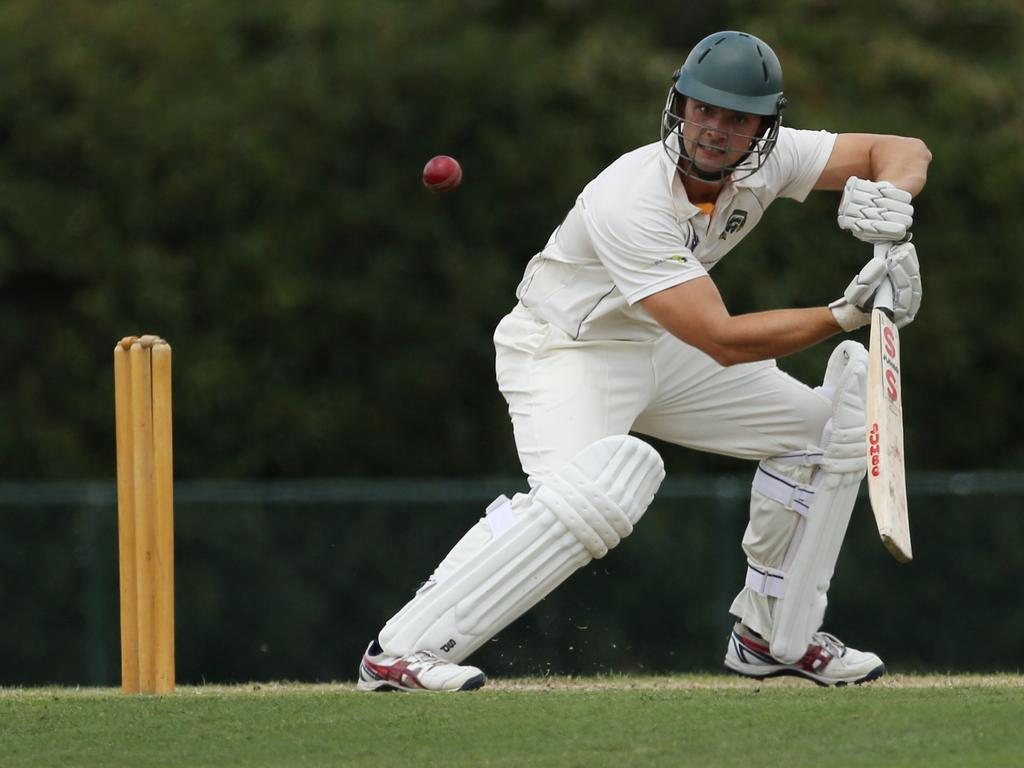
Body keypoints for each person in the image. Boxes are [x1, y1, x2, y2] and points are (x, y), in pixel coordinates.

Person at [357, 30, 930, 692]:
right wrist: (844, 315)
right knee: (596, 492)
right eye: (703, 109)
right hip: (567, 348)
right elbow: (720, 336)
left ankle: (774, 636)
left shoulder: (772, 160)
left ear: (763, 129)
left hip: (661, 346)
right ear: (679, 106)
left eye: (736, 118)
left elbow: (903, 150)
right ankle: (402, 649)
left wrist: (894, 195)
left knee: (824, 433)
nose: (714, 129)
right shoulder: (630, 197)